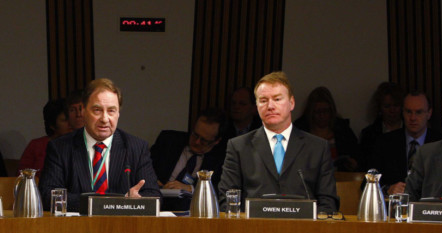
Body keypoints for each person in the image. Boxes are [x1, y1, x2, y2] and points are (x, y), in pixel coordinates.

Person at [218, 71, 339, 213]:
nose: (270, 106)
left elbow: (328, 201)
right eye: (263, 100)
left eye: (277, 99)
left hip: (303, 231)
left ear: (291, 103)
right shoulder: (238, 146)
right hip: (253, 230)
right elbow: (227, 199)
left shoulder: (318, 147)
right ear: (256, 106)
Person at [39, 78, 161, 212]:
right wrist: (109, 203)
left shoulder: (136, 147)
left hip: (123, 229)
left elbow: (154, 196)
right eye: (97, 110)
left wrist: (137, 200)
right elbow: (48, 197)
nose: (104, 119)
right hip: (76, 229)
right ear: (84, 112)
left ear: (118, 113)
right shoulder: (60, 148)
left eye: (111, 111)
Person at [150, 108, 226, 210]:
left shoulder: (221, 160)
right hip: (158, 205)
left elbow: (221, 191)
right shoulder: (168, 141)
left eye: (203, 140)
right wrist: (153, 181)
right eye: (195, 135)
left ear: (216, 141)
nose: (197, 142)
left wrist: (190, 189)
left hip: (192, 211)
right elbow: (143, 167)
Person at [369, 91, 442, 196]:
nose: (412, 118)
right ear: (402, 112)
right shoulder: (385, 143)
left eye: (419, 112)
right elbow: (368, 182)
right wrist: (388, 189)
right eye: (408, 112)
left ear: (429, 113)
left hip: (430, 207)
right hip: (395, 207)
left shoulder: (441, 143)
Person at [294, 86, 361, 171]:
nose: (322, 116)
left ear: (331, 111)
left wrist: (353, 164)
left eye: (325, 111)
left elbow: (357, 156)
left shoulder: (342, 130)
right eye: (317, 112)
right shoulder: (300, 130)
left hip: (339, 179)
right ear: (310, 112)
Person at [17, 98, 72, 177]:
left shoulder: (79, 143)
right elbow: (22, 176)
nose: (70, 123)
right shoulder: (36, 146)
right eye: (65, 120)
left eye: (71, 119)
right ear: (52, 125)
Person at [359, 82, 404, 170]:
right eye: (387, 106)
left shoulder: (412, 130)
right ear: (379, 108)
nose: (392, 110)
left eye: (396, 105)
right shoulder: (369, 134)